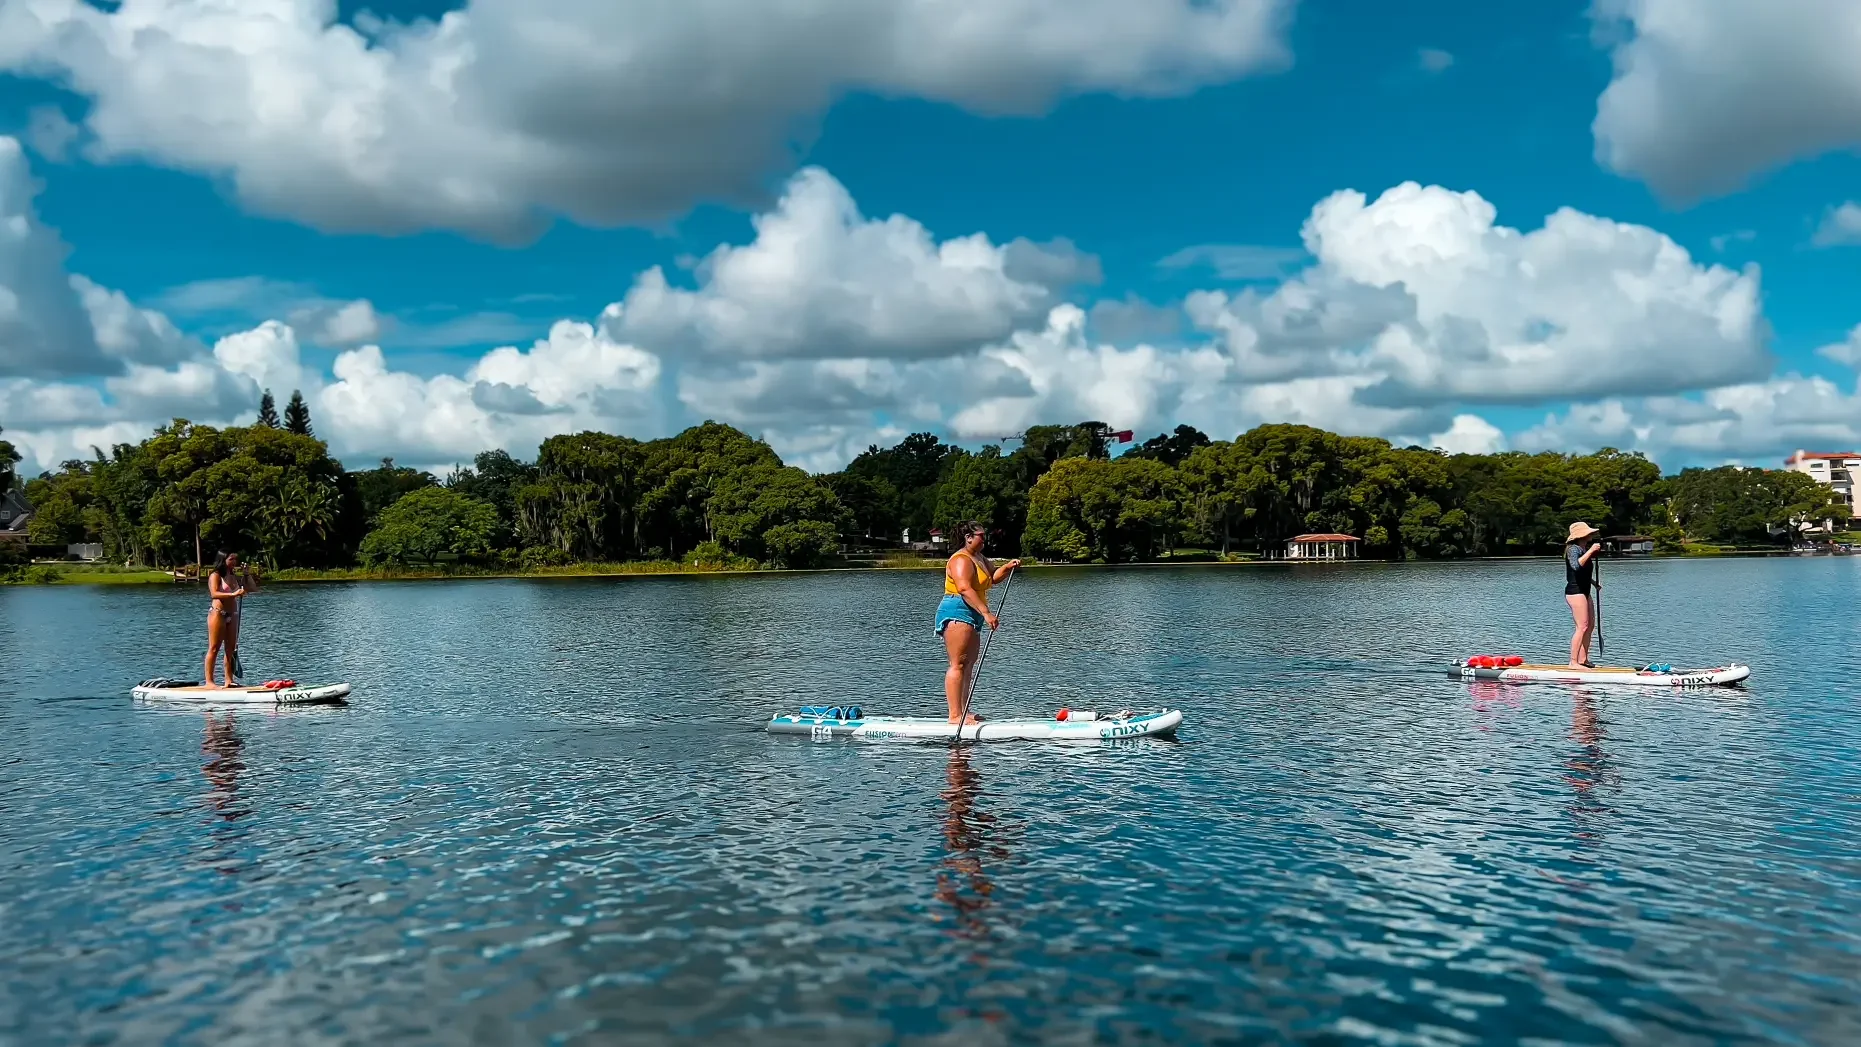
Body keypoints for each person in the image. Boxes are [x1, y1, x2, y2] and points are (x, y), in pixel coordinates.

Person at [935, 522, 1020, 724]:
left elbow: (992, 578)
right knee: (958, 663)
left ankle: (964, 711)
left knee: (968, 664)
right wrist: (987, 613)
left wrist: (1007, 567)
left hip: (974, 612)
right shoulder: (960, 560)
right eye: (981, 535)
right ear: (968, 537)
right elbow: (964, 588)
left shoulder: (979, 557)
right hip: (957, 610)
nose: (985, 539)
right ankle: (955, 715)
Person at [204, 551, 258, 688]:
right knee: (214, 648)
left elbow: (252, 588)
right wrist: (234, 594)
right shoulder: (216, 575)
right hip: (218, 613)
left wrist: (247, 574)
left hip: (232, 614)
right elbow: (214, 593)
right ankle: (209, 682)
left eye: (235, 559)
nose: (234, 562)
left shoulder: (234, 576)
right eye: (231, 559)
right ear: (223, 560)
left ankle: (229, 680)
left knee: (230, 649)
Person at [1564, 522, 1603, 668]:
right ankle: (1573, 662)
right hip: (1575, 591)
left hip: (1585, 590)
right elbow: (1576, 566)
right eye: (1589, 533)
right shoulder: (1573, 549)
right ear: (1581, 535)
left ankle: (1583, 659)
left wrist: (1594, 583)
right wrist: (1591, 551)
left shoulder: (1583, 548)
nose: (1591, 535)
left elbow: (1583, 572)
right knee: (1582, 626)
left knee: (1590, 625)